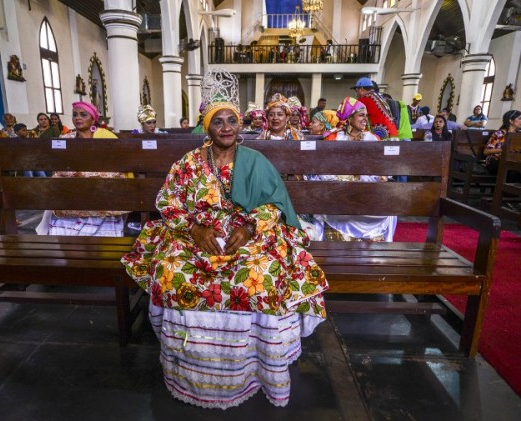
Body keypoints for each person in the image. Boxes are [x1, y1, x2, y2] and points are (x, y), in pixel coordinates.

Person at [121, 69, 329, 409]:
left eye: (232, 120)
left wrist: (248, 229)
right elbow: (167, 203)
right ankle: (192, 371)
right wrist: (194, 228)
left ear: (241, 124)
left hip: (246, 233)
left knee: (261, 276)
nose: (227, 127)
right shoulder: (188, 164)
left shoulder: (256, 161)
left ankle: (254, 368)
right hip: (196, 234)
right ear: (208, 127)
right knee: (174, 273)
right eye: (219, 122)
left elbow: (275, 205)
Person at [36, 101, 131, 237]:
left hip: (100, 190)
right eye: (75, 115)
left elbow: (115, 168)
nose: (78, 118)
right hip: (73, 191)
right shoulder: (65, 139)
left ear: (93, 119)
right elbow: (59, 167)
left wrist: (86, 175)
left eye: (83, 114)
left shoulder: (106, 137)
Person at [312, 97, 397, 241]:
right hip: (338, 193)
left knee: (389, 210)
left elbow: (382, 169)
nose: (365, 119)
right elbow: (322, 168)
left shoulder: (373, 139)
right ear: (349, 117)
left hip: (366, 193)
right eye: (361, 115)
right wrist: (341, 182)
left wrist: (373, 180)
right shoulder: (333, 138)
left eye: (366, 115)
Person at [484, 110, 521, 175]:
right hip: (496, 161)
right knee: (514, 171)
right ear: (511, 121)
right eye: (519, 118)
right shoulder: (499, 134)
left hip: (513, 161)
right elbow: (487, 151)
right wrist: (505, 150)